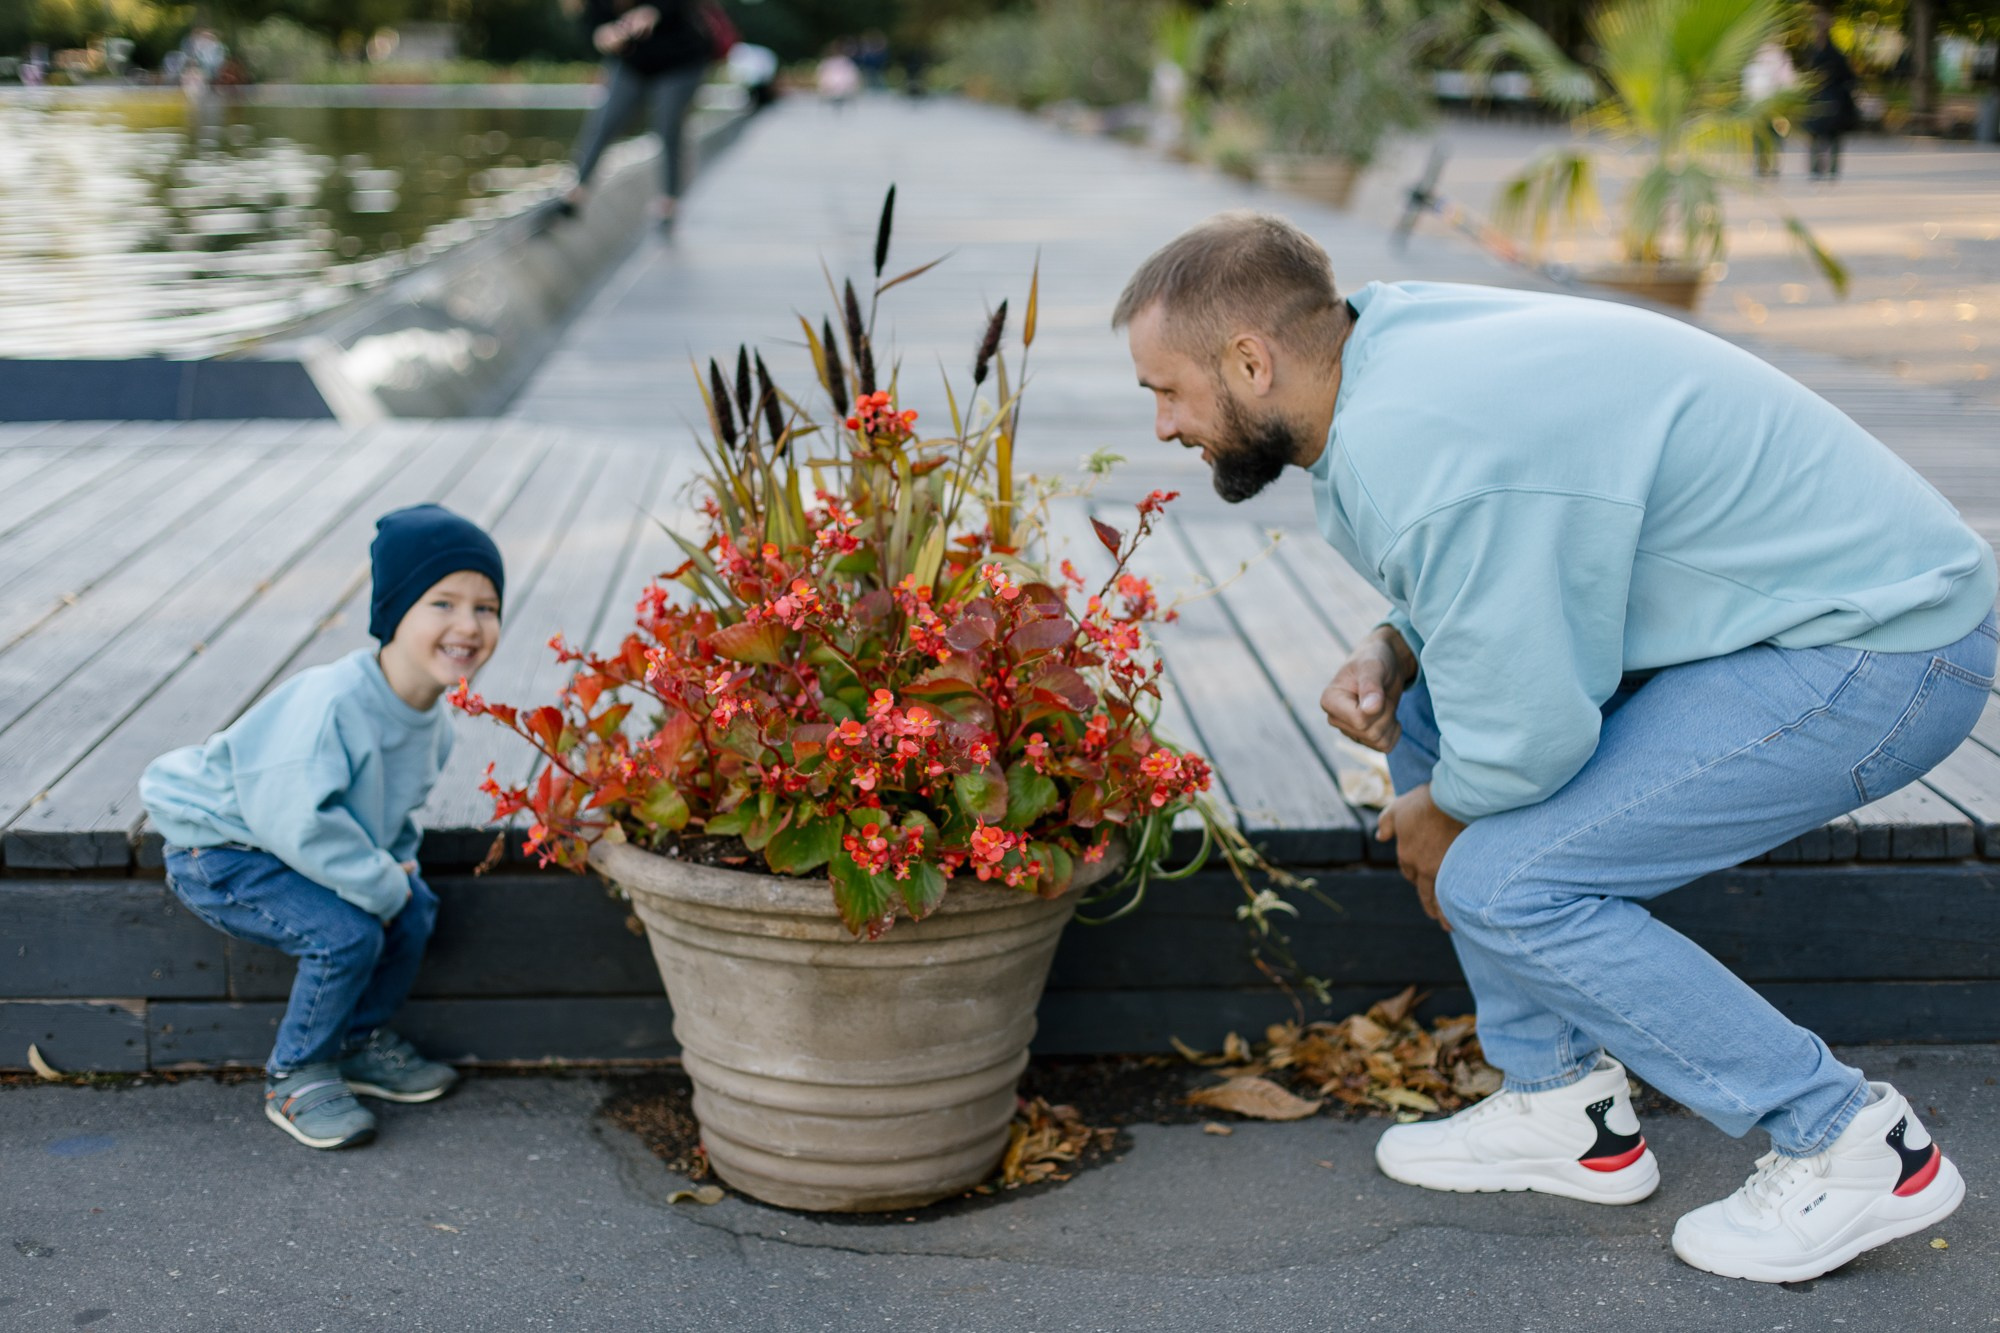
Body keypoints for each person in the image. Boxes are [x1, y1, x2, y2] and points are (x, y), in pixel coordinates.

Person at [1115, 212, 1995, 1284]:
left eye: (1167, 390)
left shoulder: (1424, 446)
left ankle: (1851, 1142)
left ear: (1251, 360)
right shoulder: (1380, 349)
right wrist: (1394, 644)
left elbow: (1530, 735)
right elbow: (1498, 569)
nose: (1162, 424)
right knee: (1432, 710)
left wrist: (1438, 815)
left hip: (1880, 651)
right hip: (1789, 618)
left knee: (1507, 882)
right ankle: (1561, 1104)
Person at [140, 506, 506, 1151]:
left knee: (414, 906)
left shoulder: (432, 722)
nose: (468, 625)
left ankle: (356, 1040)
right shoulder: (333, 702)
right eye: (443, 603)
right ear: (394, 613)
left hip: (290, 839)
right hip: (224, 845)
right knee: (346, 934)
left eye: (487, 607)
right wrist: (376, 882)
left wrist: (396, 863)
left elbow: (390, 808)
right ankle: (296, 1072)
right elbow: (295, 819)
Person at [562, 0, 713, 233]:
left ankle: (669, 202)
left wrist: (654, 10)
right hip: (633, 63)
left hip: (680, 61)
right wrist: (603, 35)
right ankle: (577, 192)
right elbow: (592, 27)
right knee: (604, 122)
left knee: (667, 127)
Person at [1802, 5, 1859, 181]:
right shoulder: (1829, 53)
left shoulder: (1817, 53)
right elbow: (1850, 78)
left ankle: (1822, 168)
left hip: (1826, 99)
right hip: (1827, 99)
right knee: (1826, 136)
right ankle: (1825, 168)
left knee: (1823, 136)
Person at [1742, 39, 1797, 177]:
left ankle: (1770, 164)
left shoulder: (1780, 57)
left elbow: (1788, 81)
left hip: (1773, 105)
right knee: (1761, 136)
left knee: (1773, 135)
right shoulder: (1755, 58)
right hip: (1758, 105)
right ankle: (1763, 164)